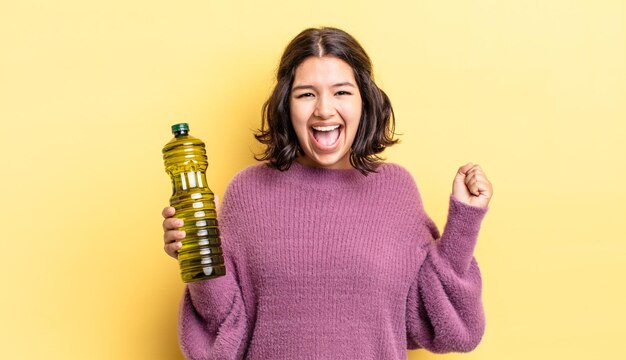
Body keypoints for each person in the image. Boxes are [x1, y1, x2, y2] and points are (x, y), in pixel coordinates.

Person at [162, 27, 493, 360]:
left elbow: (441, 326)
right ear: (285, 105)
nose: (323, 109)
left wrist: (463, 224)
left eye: (342, 92)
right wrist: (200, 254)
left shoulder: (396, 191)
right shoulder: (247, 193)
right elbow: (221, 338)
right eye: (306, 94)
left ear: (364, 100)